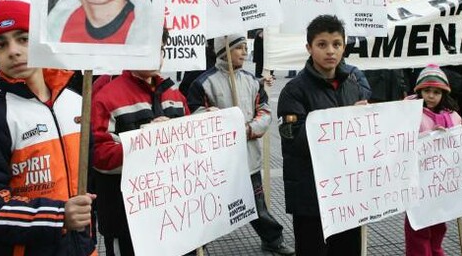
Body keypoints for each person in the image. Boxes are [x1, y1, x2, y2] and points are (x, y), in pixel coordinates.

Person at [0, 0, 96, 256]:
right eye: (1, 44)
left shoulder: (76, 103)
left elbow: (90, 177)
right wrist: (58, 216)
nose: (14, 51)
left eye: (23, 39)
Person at [186, 34, 295, 256]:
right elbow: (194, 114)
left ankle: (273, 239)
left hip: (248, 160)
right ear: (223, 51)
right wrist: (214, 120)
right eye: (239, 48)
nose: (245, 52)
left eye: (246, 47)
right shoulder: (203, 83)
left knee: (257, 206)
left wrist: (248, 129)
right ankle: (198, 247)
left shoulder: (252, 81)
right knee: (209, 208)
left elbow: (264, 112)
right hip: (217, 165)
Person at [91, 28, 190, 256]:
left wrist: (203, 121)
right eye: (146, 49)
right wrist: (147, 141)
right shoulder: (107, 96)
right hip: (125, 216)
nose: (155, 56)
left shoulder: (174, 93)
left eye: (160, 49)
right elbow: (98, 155)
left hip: (170, 213)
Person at [277, 15, 368, 255]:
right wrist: (345, 118)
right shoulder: (294, 91)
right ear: (308, 48)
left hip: (347, 191)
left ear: (344, 46)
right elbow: (295, 141)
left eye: (337, 44)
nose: (330, 51)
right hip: (310, 193)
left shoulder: (353, 83)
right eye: (322, 44)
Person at [404, 64, 462, 256]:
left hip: (440, 186)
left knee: (439, 226)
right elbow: (403, 140)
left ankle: (435, 251)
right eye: (426, 91)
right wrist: (428, 135)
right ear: (419, 91)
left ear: (444, 94)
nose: (431, 96)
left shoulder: (452, 115)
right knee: (418, 228)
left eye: (436, 92)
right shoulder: (410, 112)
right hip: (418, 185)